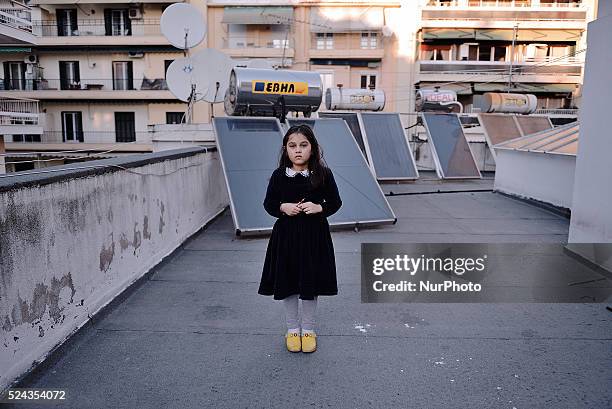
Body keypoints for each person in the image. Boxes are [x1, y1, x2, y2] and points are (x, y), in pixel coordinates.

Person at [258, 124, 342, 353]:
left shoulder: (323, 175)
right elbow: (269, 204)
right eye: (292, 146)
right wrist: (282, 207)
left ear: (313, 149)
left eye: (303, 145)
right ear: (285, 149)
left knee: (309, 285)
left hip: (314, 239)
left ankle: (308, 330)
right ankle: (292, 330)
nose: (298, 150)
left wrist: (319, 207)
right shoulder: (279, 176)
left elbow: (335, 202)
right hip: (286, 239)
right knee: (289, 285)